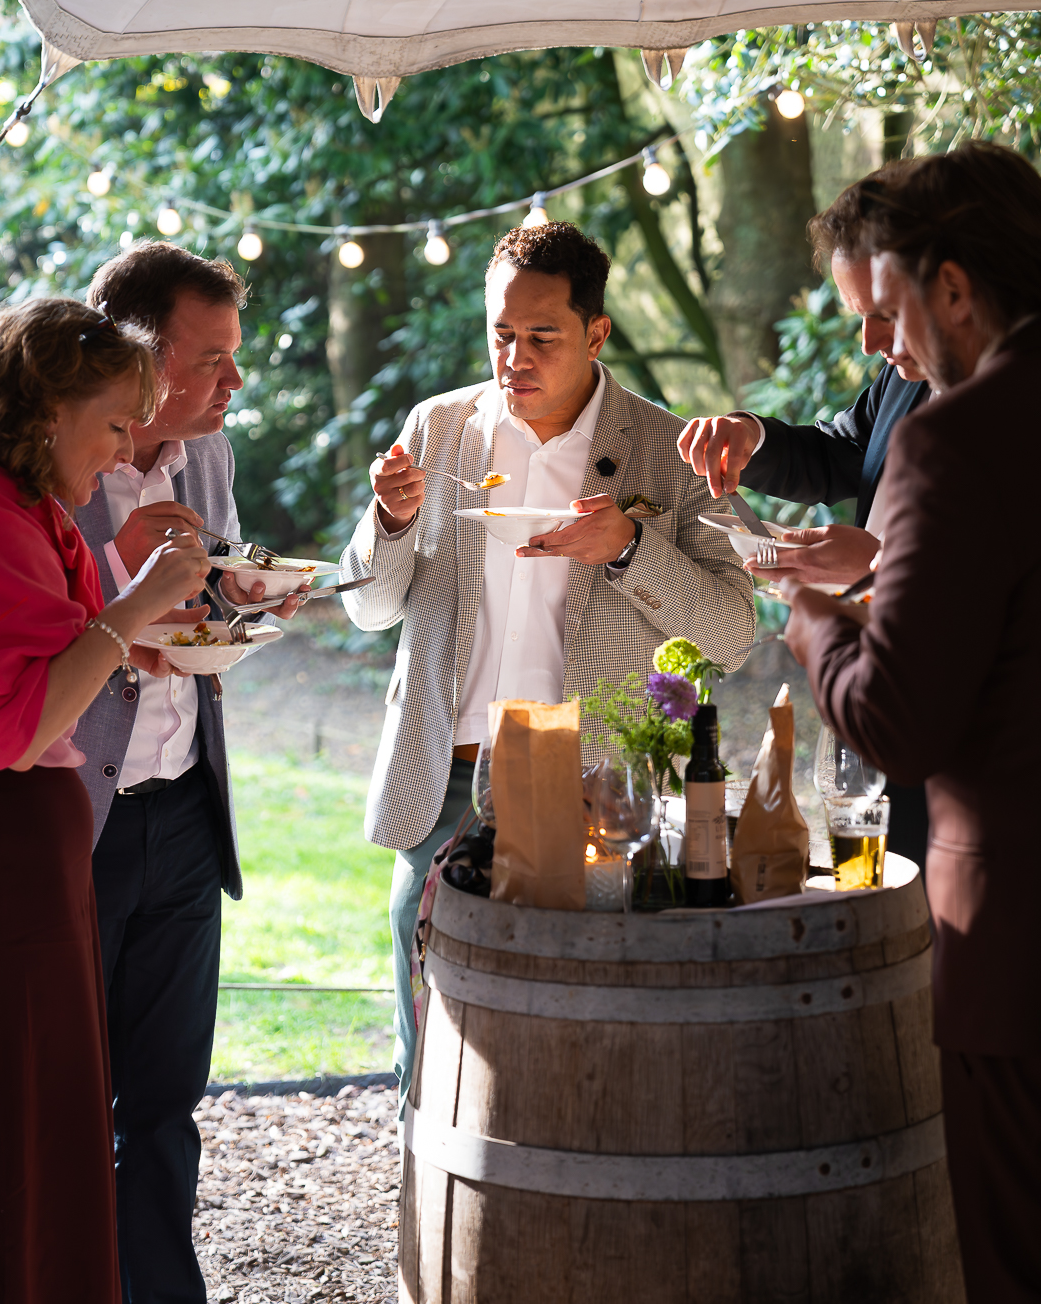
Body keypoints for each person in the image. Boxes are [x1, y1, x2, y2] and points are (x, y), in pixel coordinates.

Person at [339, 221, 755, 1122]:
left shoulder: (667, 449)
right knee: (433, 1041)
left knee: (581, 1038)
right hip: (447, 778)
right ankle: (428, 1232)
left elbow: (732, 631)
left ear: (597, 334)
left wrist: (633, 547)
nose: (513, 357)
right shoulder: (437, 429)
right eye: (499, 333)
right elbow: (367, 606)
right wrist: (391, 522)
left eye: (541, 336)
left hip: (593, 787)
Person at [781, 141, 1041, 1303]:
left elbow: (899, 722)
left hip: (1019, 937)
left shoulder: (957, 437)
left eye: (892, 307)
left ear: (952, 288)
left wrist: (813, 620)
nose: (889, 347)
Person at [0, 299, 211, 1302]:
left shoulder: (23, 513)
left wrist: (130, 628)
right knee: (8, 1124)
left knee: (49, 1116)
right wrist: (134, 607)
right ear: (47, 408)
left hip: (34, 877)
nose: (120, 455)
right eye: (113, 425)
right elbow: (19, 720)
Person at [70, 241, 304, 1304]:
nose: (236, 385)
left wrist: (249, 604)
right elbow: (20, 631)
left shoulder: (205, 453)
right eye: (213, 361)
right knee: (64, 1098)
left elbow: (208, 594)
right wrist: (129, 596)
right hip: (78, 816)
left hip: (189, 811)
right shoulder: (40, 463)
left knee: (166, 1102)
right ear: (142, 356)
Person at [677, 176, 932, 870]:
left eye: (883, 311)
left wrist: (876, 570)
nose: (873, 340)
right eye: (856, 313)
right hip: (877, 709)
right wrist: (752, 437)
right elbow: (845, 450)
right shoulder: (906, 375)